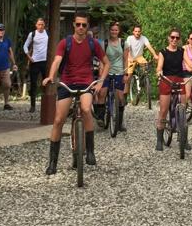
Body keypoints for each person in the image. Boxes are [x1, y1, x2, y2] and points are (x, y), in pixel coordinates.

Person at [42, 13, 109, 175]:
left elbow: (107, 63)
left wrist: (100, 81)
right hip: (67, 82)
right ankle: (53, 162)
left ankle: (90, 151)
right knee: (58, 120)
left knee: (86, 109)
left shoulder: (93, 44)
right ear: (73, 25)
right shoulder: (65, 43)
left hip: (86, 82)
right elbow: (57, 61)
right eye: (78, 24)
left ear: (87, 26)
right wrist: (51, 76)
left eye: (84, 25)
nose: (81, 28)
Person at [155, 29, 192, 151]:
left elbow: (189, 63)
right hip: (166, 80)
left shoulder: (181, 51)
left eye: (177, 38)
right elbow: (159, 66)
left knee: (183, 111)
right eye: (172, 37)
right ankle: (159, 140)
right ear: (168, 38)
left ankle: (183, 139)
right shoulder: (163, 52)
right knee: (163, 111)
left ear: (179, 40)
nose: (174, 40)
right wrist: (159, 72)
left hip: (179, 80)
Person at [94, 22, 128, 132]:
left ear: (119, 31)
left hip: (119, 71)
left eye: (116, 30)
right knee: (102, 93)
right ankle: (100, 118)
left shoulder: (124, 43)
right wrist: (100, 72)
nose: (114, 32)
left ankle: (119, 121)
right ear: (109, 31)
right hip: (106, 71)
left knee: (120, 97)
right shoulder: (104, 43)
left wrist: (126, 73)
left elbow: (126, 59)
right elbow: (101, 59)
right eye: (112, 30)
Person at [23, 18, 50, 113]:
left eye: (42, 24)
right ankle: (32, 106)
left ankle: (46, 105)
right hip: (35, 62)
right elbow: (25, 46)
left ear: (44, 25)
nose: (41, 26)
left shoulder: (47, 33)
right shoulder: (32, 34)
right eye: (39, 24)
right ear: (36, 25)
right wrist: (29, 57)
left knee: (46, 84)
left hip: (45, 61)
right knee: (33, 84)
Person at [0, 23, 16, 111]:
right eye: (0, 30)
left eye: (3, 30)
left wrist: (14, 63)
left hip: (5, 66)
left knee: (7, 84)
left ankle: (6, 103)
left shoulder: (7, 40)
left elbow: (10, 52)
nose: (1, 31)